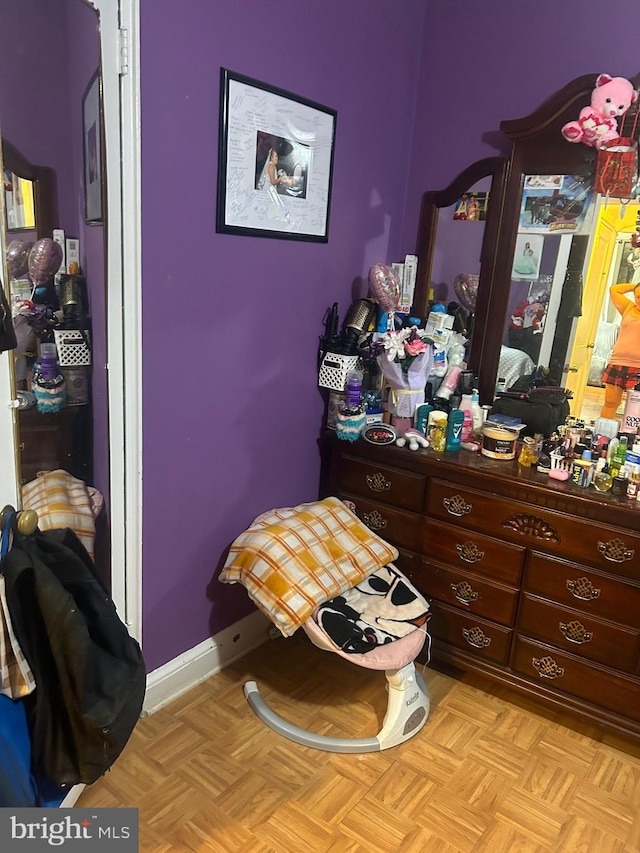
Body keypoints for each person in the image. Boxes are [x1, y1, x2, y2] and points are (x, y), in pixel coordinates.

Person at [600, 281, 640, 419]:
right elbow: (614, 290)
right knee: (610, 402)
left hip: (638, 366)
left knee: (636, 408)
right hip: (618, 362)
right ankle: (602, 434)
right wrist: (635, 286)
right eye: (637, 296)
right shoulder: (628, 308)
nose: (639, 299)